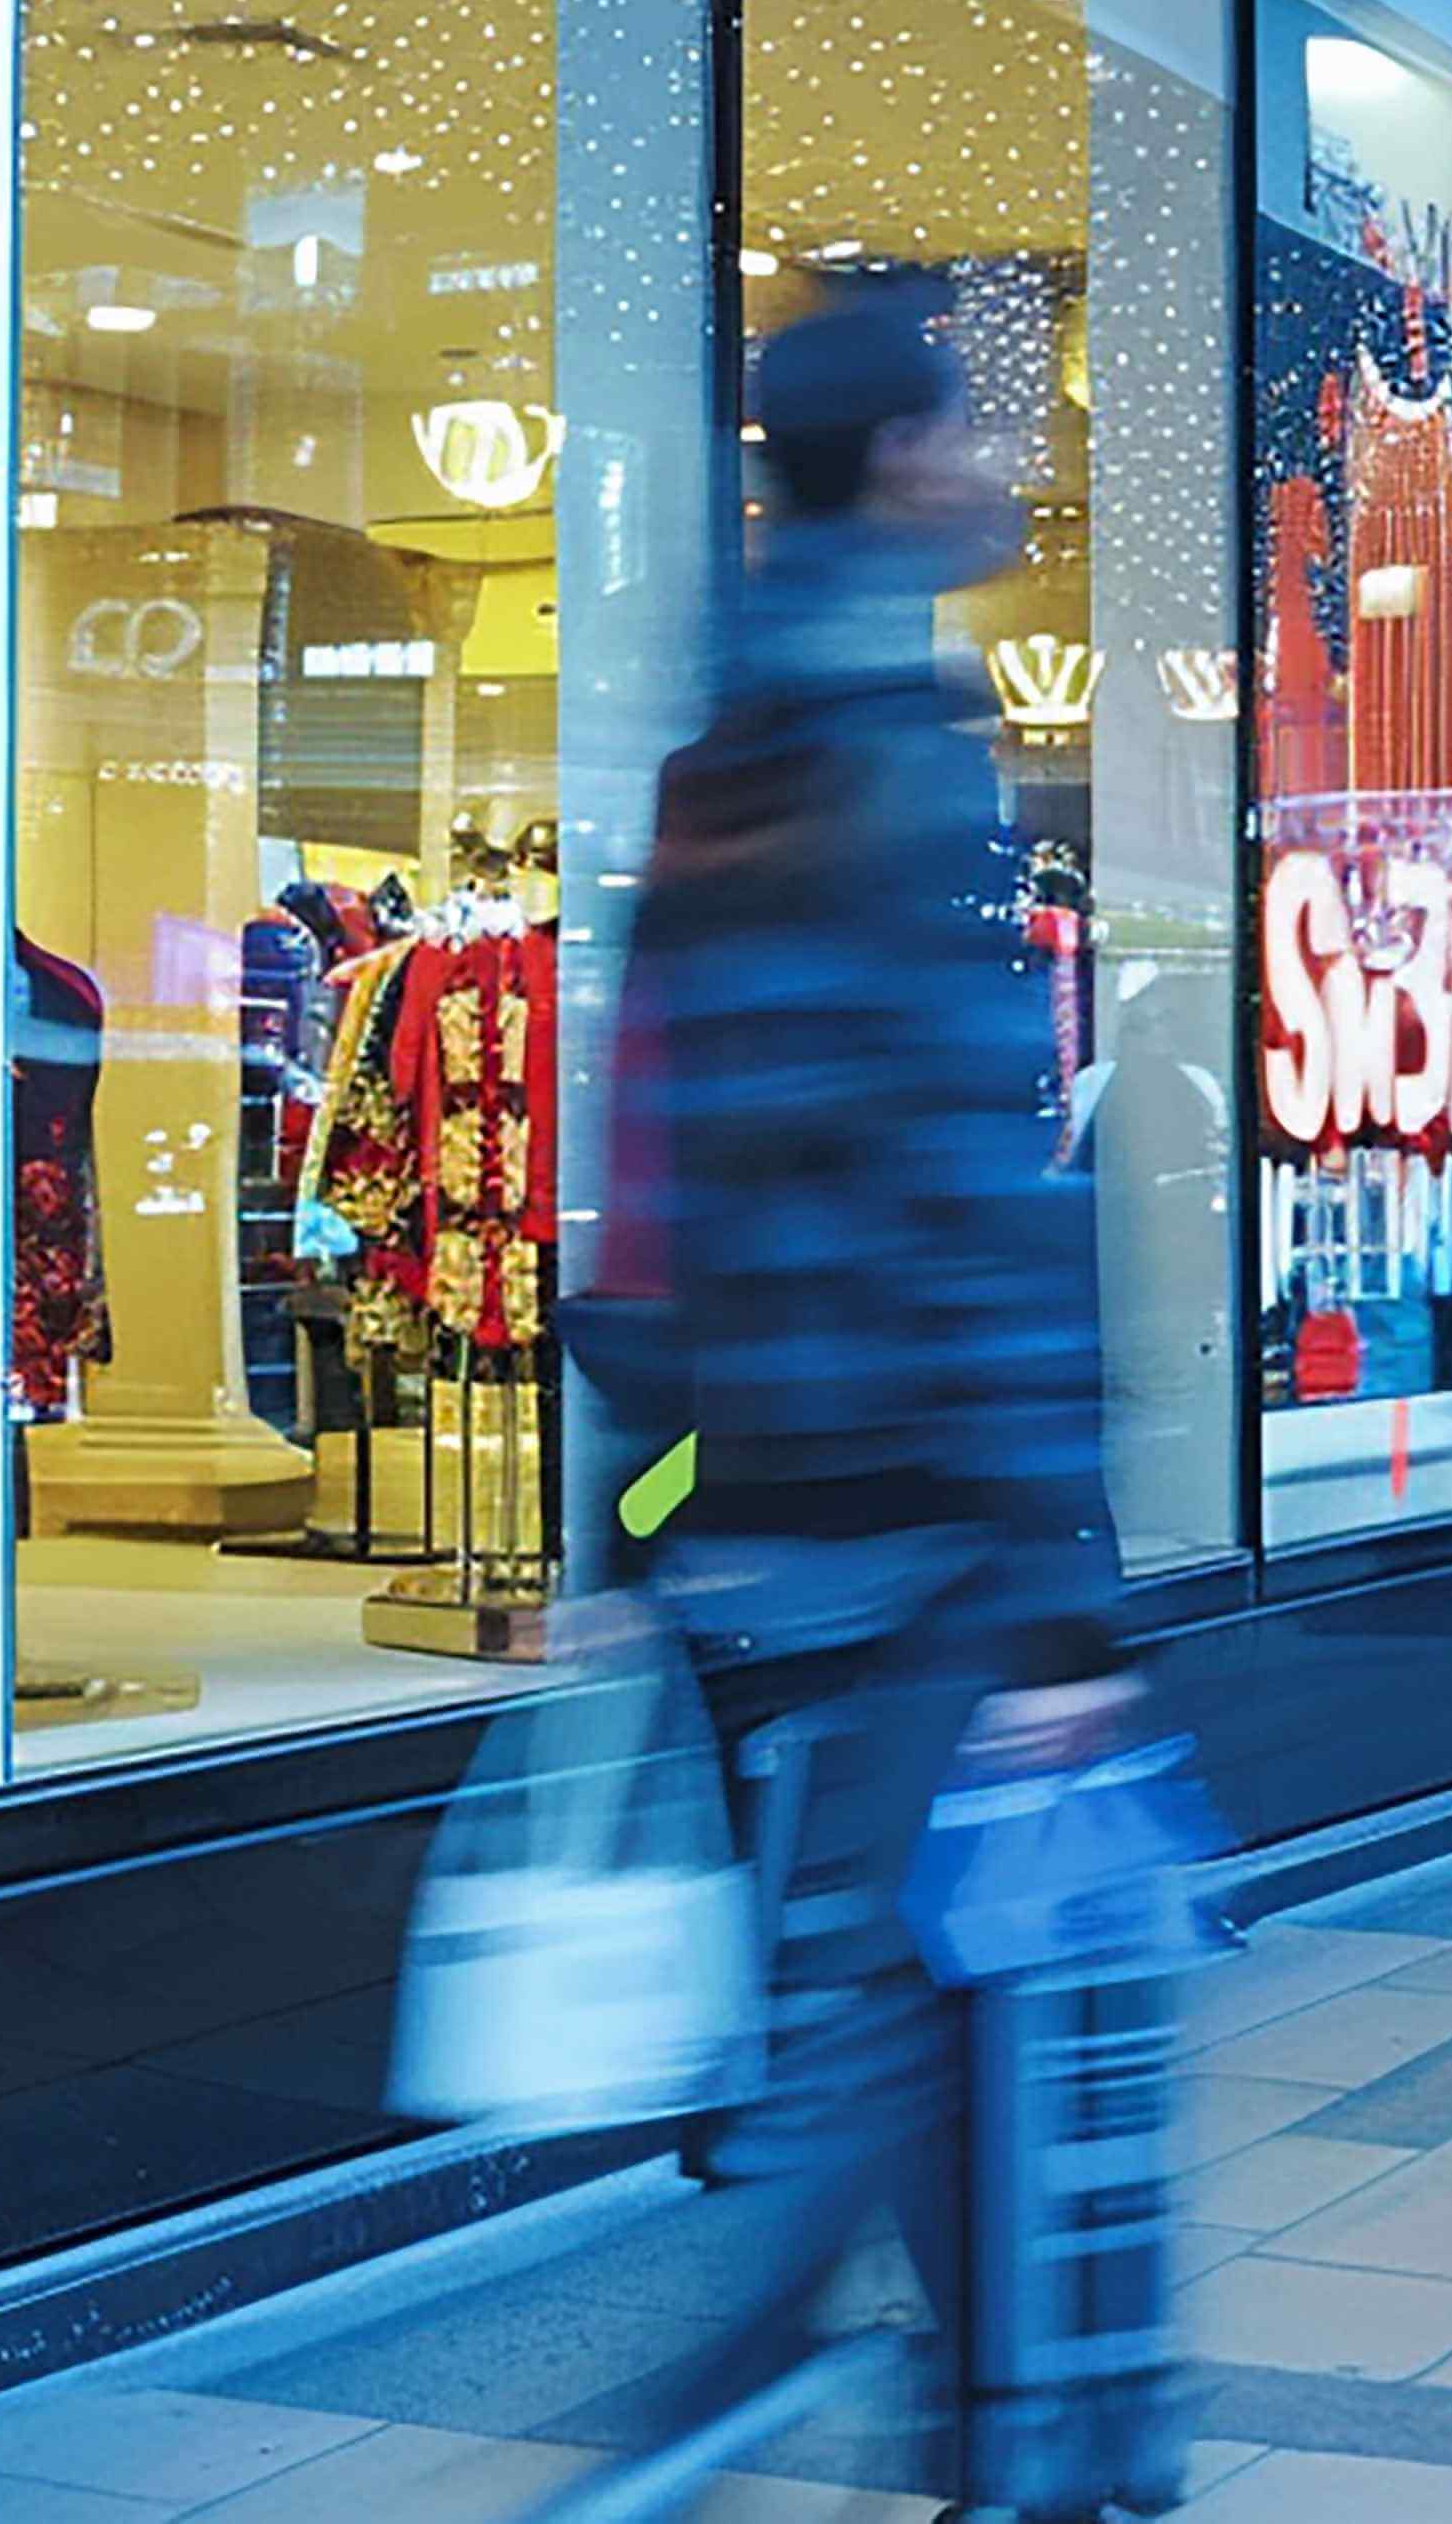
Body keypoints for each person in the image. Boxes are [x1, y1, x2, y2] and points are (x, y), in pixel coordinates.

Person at [579, 279, 1116, 2497]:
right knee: (916, 1991)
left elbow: (652, 1161)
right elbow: (970, 1189)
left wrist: (621, 1511)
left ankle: (1025, 2428)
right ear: (898, 455)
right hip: (915, 1507)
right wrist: (1061, 1583)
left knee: (926, 1971)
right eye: (977, 416)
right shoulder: (905, 754)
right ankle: (737, 2379)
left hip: (757, 1497)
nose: (1003, 452)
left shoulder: (714, 754)